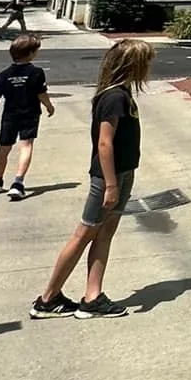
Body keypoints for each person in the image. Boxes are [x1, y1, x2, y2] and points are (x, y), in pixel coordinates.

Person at [30, 39, 153, 320]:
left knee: (105, 233)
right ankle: (47, 299)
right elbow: (104, 143)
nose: (147, 68)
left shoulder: (122, 93)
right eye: (144, 62)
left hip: (123, 172)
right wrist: (110, 184)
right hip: (108, 177)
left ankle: (92, 297)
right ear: (131, 65)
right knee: (83, 234)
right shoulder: (114, 97)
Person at [0, 33, 55, 198]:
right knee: (26, 145)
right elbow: (41, 94)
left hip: (9, 115)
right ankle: (18, 183)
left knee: (4, 147)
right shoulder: (36, 72)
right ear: (30, 53)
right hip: (30, 114)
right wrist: (49, 106)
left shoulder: (4, 74)